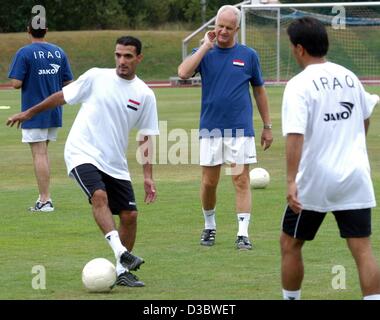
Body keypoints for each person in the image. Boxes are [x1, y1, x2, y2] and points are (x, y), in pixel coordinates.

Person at [7, 36, 159, 287]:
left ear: (139, 58)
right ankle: (121, 252)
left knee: (130, 215)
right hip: (82, 152)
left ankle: (122, 272)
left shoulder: (145, 94)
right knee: (99, 195)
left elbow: (146, 137)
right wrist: (29, 112)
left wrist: (148, 175)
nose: (122, 61)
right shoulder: (96, 77)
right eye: (118, 55)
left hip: (115, 162)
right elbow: (61, 96)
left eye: (128, 56)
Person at [281, 17, 380, 300]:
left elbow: (295, 136)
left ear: (299, 48)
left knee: (290, 243)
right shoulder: (349, 76)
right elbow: (365, 118)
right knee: (362, 250)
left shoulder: (299, 85)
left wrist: (290, 180)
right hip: (355, 177)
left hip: (316, 180)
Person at [178, 5, 273, 250]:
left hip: (240, 130)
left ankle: (243, 234)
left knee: (241, 180)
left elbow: (259, 91)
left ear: (237, 29)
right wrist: (205, 47)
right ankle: (209, 226)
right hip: (210, 129)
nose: (223, 31)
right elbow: (183, 72)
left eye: (229, 28)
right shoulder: (205, 53)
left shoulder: (248, 55)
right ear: (215, 25)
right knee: (209, 182)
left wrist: (267, 125)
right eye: (220, 26)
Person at [8, 17, 74, 212]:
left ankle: (45, 200)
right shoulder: (58, 51)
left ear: (28, 30)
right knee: (43, 153)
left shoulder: (24, 52)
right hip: (53, 110)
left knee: (39, 154)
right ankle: (43, 198)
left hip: (33, 111)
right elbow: (69, 83)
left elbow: (16, 83)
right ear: (46, 30)